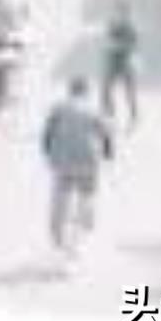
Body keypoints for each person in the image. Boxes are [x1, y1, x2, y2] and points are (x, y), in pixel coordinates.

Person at [41, 77, 115, 259]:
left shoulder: (58, 108)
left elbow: (47, 134)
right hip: (88, 161)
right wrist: (108, 154)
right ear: (86, 92)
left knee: (60, 199)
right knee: (88, 196)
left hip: (63, 162)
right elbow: (106, 135)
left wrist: (48, 153)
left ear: (70, 91)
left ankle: (58, 239)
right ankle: (84, 232)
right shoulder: (94, 109)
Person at [101, 0, 139, 129]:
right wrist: (111, 45)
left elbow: (132, 44)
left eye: (121, 10)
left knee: (129, 91)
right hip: (113, 61)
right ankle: (109, 114)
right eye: (117, 9)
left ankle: (133, 115)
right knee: (106, 89)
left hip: (125, 61)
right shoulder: (112, 24)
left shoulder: (130, 26)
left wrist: (117, 45)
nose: (118, 13)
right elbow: (107, 40)